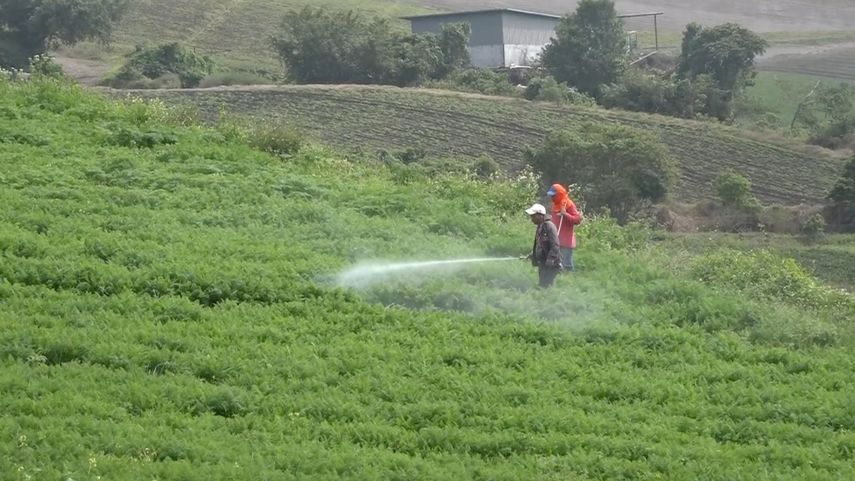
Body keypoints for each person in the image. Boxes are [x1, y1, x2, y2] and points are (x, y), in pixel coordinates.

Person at [525, 203, 562, 288]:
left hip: (551, 264)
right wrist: (532, 255)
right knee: (543, 285)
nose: (532, 218)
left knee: (546, 286)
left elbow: (555, 245)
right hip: (543, 263)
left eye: (533, 216)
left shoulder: (549, 226)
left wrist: (550, 260)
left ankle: (550, 299)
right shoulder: (540, 227)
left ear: (540, 215)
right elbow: (540, 245)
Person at [547, 184, 582, 272]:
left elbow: (577, 220)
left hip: (566, 242)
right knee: (557, 265)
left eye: (554, 195)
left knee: (567, 266)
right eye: (551, 195)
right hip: (556, 240)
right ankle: (559, 283)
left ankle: (571, 283)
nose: (552, 198)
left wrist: (565, 214)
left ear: (559, 194)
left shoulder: (568, 204)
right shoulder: (556, 205)